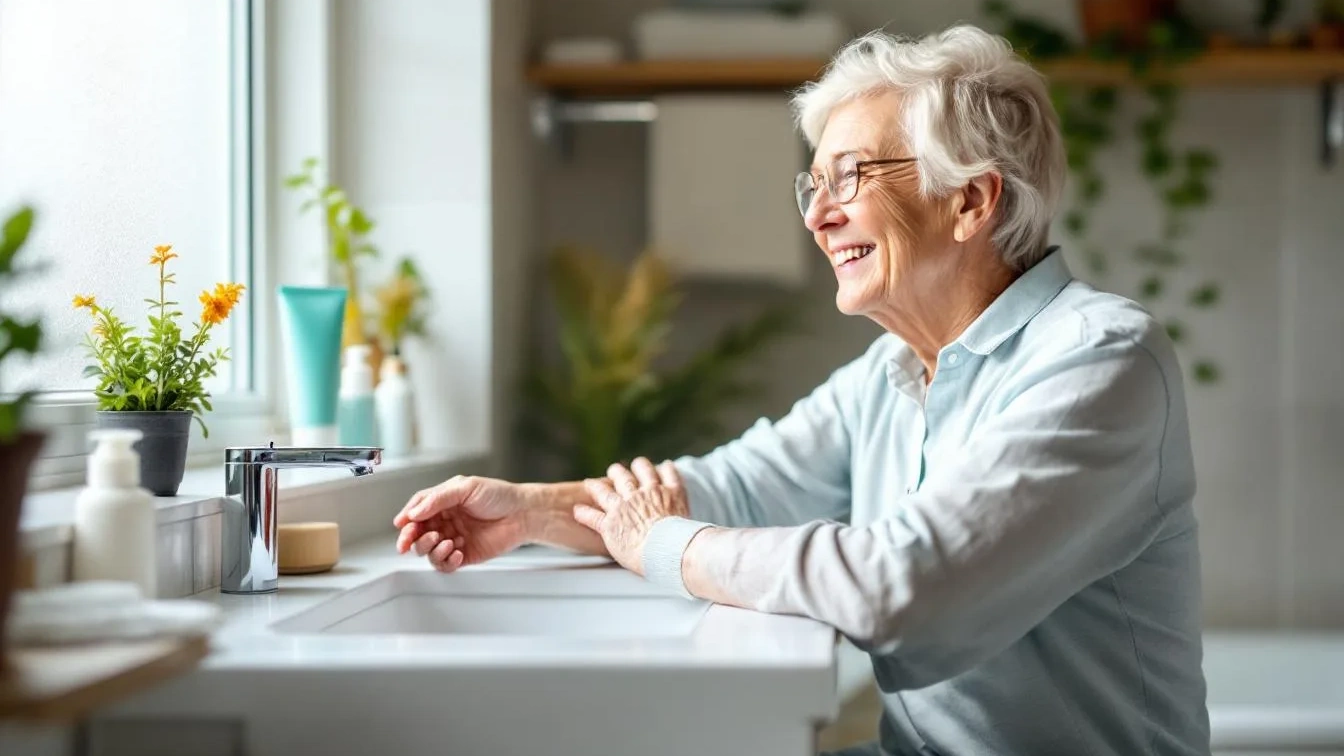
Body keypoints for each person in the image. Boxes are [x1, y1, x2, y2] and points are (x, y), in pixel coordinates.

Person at [394, 24, 1209, 756]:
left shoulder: (1099, 359)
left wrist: (666, 546)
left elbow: (903, 590)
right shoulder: (889, 373)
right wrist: (531, 511)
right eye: (812, 184)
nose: (817, 216)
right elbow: (731, 488)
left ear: (970, 200)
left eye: (849, 177)